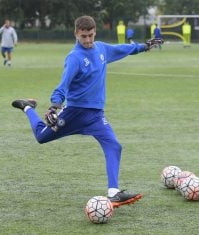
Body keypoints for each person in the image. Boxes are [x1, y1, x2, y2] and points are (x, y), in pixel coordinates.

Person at [11, 16, 163, 208]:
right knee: (41, 137)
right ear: (76, 34)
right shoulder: (74, 58)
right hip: (74, 114)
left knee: (114, 145)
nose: (88, 40)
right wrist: (54, 106)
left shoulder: (101, 48)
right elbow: (63, 86)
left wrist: (144, 46)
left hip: (96, 116)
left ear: (95, 32)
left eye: (91, 35)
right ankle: (27, 107)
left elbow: (122, 49)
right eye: (84, 37)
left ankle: (113, 192)